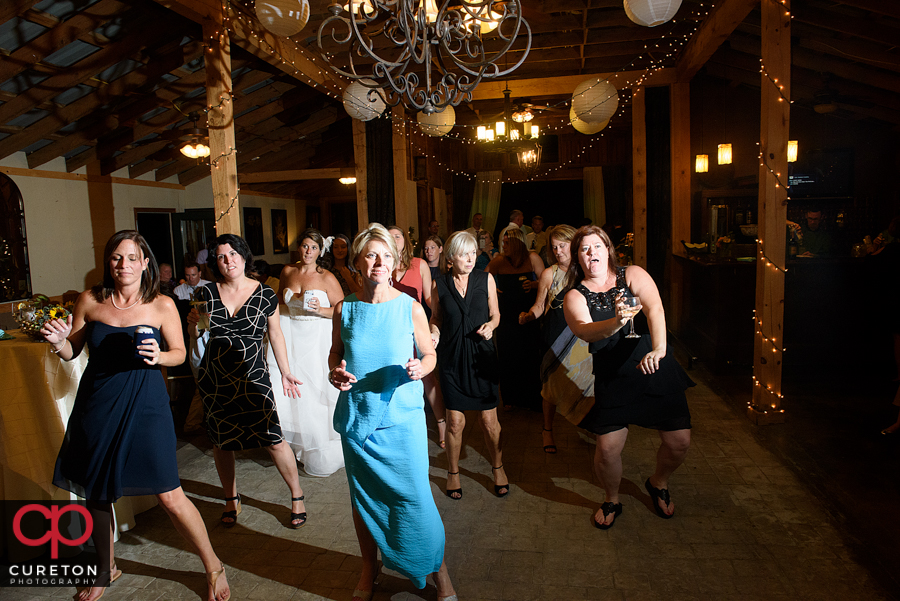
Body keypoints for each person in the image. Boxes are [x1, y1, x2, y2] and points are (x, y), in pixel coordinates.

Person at [41, 230, 230, 601]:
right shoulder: (90, 300)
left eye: (131, 258)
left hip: (147, 405)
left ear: (145, 263)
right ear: (108, 263)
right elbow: (71, 351)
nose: (123, 265)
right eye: (116, 258)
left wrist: (158, 356)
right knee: (96, 492)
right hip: (97, 405)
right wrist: (59, 340)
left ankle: (213, 565)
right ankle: (104, 568)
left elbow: (178, 352)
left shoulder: (161, 304)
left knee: (170, 494)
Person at [328, 223, 457, 601]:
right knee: (363, 499)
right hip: (357, 421)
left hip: (401, 421)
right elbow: (336, 353)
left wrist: (423, 366)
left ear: (396, 262)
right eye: (371, 255)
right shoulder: (344, 308)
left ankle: (439, 571)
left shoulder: (409, 307)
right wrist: (335, 372)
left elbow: (430, 353)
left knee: (415, 498)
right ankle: (370, 566)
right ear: (357, 263)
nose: (379, 263)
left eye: (386, 256)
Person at [563, 225, 694, 529]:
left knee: (679, 442)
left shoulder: (632, 274)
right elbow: (584, 331)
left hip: (652, 363)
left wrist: (659, 350)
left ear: (607, 249)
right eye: (584, 249)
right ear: (577, 259)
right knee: (607, 450)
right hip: (614, 374)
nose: (591, 252)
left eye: (596, 246)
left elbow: (655, 309)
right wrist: (616, 321)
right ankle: (612, 498)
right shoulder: (575, 295)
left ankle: (658, 482)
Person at [191, 234, 308, 529]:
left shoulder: (266, 293)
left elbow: (275, 334)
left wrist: (285, 371)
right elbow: (199, 334)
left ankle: (297, 495)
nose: (228, 260)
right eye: (221, 256)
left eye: (232, 254)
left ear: (244, 256)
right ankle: (231, 499)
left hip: (254, 376)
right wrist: (192, 326)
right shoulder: (205, 293)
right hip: (216, 377)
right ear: (215, 262)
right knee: (222, 442)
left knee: (273, 438)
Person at [429, 231, 506, 500]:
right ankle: (453, 473)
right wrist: (434, 333)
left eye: (473, 252)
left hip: (480, 358)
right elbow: (436, 317)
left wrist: (492, 326)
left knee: (489, 420)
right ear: (450, 259)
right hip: (451, 358)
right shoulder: (439, 284)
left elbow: (496, 314)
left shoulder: (485, 279)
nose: (471, 258)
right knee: (454, 423)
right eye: (464, 254)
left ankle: (497, 467)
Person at [269, 229, 345, 476]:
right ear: (298, 248)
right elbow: (280, 301)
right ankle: (296, 445)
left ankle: (320, 447)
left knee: (315, 391)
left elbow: (342, 310)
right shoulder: (288, 272)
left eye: (313, 247)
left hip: (316, 337)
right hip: (291, 335)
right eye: (304, 246)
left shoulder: (327, 277)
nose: (308, 251)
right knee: (292, 392)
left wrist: (320, 309)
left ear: (320, 250)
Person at [520, 225, 594, 453]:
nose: (558, 251)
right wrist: (529, 315)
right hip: (555, 334)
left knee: (587, 382)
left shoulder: (586, 271)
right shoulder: (549, 273)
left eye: (562, 245)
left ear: (573, 244)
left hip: (582, 335)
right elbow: (540, 305)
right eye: (554, 247)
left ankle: (590, 425)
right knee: (551, 385)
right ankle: (547, 430)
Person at [388, 225, 446, 447]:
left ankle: (441, 422)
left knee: (427, 376)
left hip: (414, 327)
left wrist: (439, 321)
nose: (394, 239)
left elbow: (429, 301)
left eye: (398, 235)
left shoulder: (419, 264)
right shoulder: (383, 265)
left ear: (405, 240)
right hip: (390, 330)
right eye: (390, 236)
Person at [488, 227, 545, 411]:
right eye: (503, 242)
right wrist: (491, 290)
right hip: (506, 317)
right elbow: (482, 278)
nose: (503, 246)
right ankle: (510, 399)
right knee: (507, 356)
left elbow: (547, 282)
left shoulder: (532, 258)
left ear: (517, 243)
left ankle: (532, 399)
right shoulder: (499, 261)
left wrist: (534, 283)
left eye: (506, 243)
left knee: (529, 355)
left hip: (529, 314)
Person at [327, 233, 362, 297]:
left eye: (343, 247)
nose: (339, 250)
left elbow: (360, 294)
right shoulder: (327, 271)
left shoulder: (354, 271)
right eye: (336, 247)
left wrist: (348, 278)